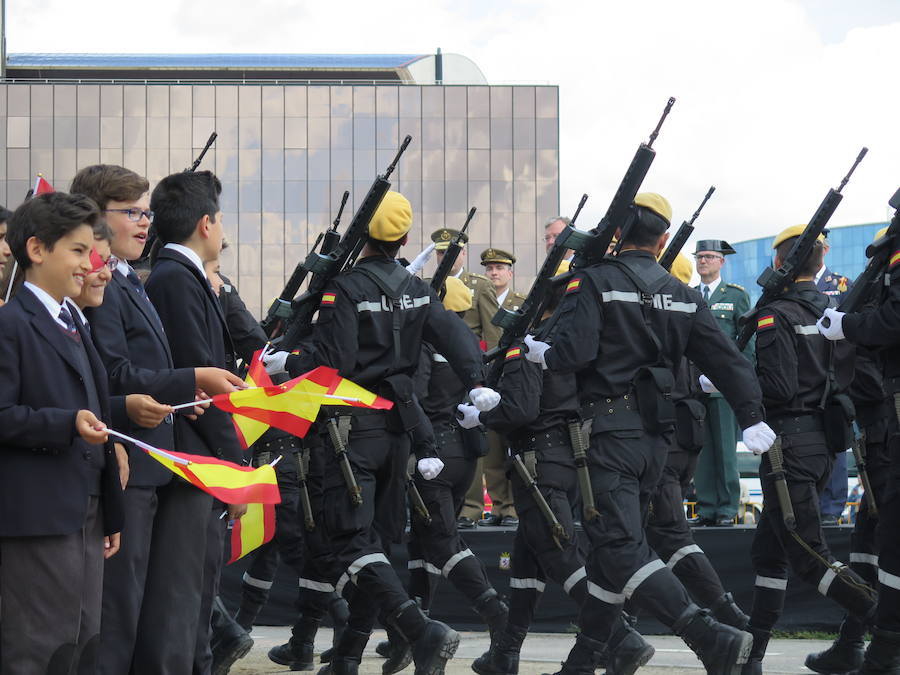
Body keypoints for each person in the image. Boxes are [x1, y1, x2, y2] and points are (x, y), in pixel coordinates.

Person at [523, 192, 774, 675]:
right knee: (611, 553)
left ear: (616, 235)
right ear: (662, 241)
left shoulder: (595, 281)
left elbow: (572, 353)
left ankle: (707, 636)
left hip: (609, 432)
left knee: (618, 545)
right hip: (657, 439)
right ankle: (583, 661)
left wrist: (542, 354)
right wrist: (751, 414)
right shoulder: (681, 293)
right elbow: (724, 357)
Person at [264, 191, 501, 675]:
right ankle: (348, 658)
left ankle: (420, 630)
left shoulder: (345, 288)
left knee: (350, 540)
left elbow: (334, 362)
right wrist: (476, 380)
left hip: (350, 433)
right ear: (406, 239)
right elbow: (456, 335)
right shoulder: (416, 288)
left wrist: (289, 361)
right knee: (375, 540)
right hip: (398, 432)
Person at [72, 164, 243, 675]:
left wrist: (184, 387)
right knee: (120, 616)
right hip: (131, 461)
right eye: (130, 212)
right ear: (94, 221)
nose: (144, 223)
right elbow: (113, 370)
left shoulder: (132, 279)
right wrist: (192, 378)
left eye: (145, 212)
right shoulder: (111, 285)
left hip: (153, 463)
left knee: (144, 609)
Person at [466, 262, 638, 675]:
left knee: (561, 557)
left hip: (536, 462)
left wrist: (483, 414)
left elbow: (522, 410)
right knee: (527, 562)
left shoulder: (529, 343)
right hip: (566, 459)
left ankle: (620, 638)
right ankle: (505, 651)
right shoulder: (576, 343)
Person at [740, 225, 875, 674]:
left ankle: (882, 620)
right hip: (822, 444)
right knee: (770, 553)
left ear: (779, 263)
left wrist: (736, 384)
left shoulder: (775, 313)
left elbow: (776, 386)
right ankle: (750, 657)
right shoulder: (833, 308)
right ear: (820, 262)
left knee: (806, 550)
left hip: (790, 445)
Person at [0, 191, 125, 674]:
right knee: (39, 647)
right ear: (37, 250)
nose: (88, 263)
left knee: (82, 640)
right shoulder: (11, 324)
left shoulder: (74, 319)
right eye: (76, 250)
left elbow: (93, 405)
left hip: (86, 511)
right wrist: (66, 423)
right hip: (39, 516)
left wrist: (108, 508)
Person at [145, 170, 247, 675]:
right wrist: (235, 465)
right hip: (194, 456)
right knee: (181, 601)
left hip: (202, 455)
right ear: (206, 224)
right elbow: (198, 377)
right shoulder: (174, 278)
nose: (223, 229)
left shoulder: (182, 276)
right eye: (221, 218)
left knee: (198, 594)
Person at [645, 254, 750, 631]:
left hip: (663, 435)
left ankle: (719, 624)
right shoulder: (690, 308)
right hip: (684, 431)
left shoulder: (652, 313)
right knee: (645, 535)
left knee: (666, 532)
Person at [805, 231, 893, 674]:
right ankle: (853, 639)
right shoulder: (872, 289)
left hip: (883, 422)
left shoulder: (877, 296)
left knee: (884, 538)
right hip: (876, 424)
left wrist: (850, 329)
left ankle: (877, 645)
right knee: (867, 539)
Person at [692, 239, 751, 527]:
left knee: (727, 451)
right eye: (700, 257)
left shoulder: (736, 296)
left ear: (721, 262)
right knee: (702, 451)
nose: (703, 261)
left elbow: (746, 339)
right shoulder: (689, 294)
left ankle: (727, 508)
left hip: (724, 384)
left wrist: (739, 379)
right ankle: (706, 507)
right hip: (696, 384)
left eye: (710, 257)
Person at [472, 248, 526, 528]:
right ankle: (500, 507)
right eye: (489, 268)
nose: (494, 273)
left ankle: (515, 507)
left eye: (499, 268)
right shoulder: (479, 299)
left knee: (513, 446)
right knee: (492, 450)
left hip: (514, 381)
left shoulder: (523, 302)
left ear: (510, 272)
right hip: (489, 380)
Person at [815, 234, 854, 526]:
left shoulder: (841, 284)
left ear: (826, 249)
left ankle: (832, 506)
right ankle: (812, 504)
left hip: (833, 369)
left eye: (819, 246)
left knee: (836, 436)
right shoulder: (792, 282)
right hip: (803, 370)